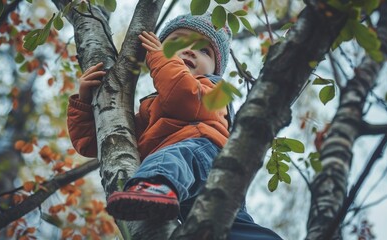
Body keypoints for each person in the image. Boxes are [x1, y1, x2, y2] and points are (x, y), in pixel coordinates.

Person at [67, 13, 282, 239]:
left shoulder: (215, 88)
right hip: (183, 185)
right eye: (178, 42)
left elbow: (184, 97)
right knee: (226, 226)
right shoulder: (152, 109)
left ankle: (154, 185)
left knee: (170, 156)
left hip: (202, 155)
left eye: (204, 50)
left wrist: (162, 58)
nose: (190, 50)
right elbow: (96, 142)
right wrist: (85, 102)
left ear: (215, 68)